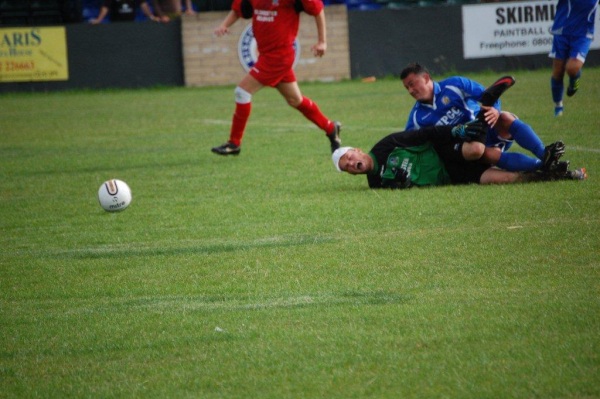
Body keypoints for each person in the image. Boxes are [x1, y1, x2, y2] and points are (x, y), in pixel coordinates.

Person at [210, 0, 342, 156]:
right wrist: (224, 25)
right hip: (267, 55)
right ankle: (330, 128)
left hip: (279, 57)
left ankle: (234, 143)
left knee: (242, 92)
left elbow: (318, 9)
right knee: (295, 100)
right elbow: (239, 9)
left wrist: (322, 42)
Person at [399, 63, 566, 174]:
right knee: (488, 153)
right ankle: (541, 166)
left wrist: (495, 110)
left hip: (487, 127)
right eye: (407, 88)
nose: (411, 90)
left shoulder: (454, 85)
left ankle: (545, 154)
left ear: (427, 78)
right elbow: (407, 141)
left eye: (413, 84)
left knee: (506, 117)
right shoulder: (416, 117)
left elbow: (491, 94)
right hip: (469, 148)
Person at [332, 121, 587, 189]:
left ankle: (544, 159)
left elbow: (425, 135)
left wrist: (457, 130)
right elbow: (402, 189)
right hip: (452, 177)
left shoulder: (385, 145)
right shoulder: (375, 184)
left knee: (479, 150)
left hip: (445, 154)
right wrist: (402, 185)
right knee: (508, 180)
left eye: (350, 158)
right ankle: (560, 174)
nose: (353, 164)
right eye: (349, 168)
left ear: (358, 151)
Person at [549, 0, 599, 116]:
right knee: (558, 71)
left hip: (583, 34)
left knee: (572, 68)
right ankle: (558, 106)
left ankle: (574, 82)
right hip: (562, 30)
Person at [89, 0, 159, 23]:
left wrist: (151, 17)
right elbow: (105, 7)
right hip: (116, 25)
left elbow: (143, 5)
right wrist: (99, 20)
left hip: (130, 24)